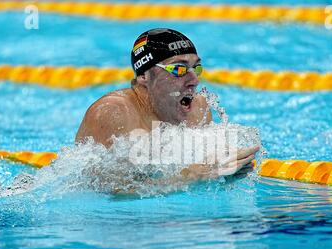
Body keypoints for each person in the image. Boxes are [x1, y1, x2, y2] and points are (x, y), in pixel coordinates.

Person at [75, 28, 259, 183]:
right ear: (144, 76)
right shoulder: (113, 112)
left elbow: (203, 175)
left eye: (196, 68)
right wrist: (194, 175)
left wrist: (224, 174)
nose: (194, 80)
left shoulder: (198, 108)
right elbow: (109, 189)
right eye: (178, 69)